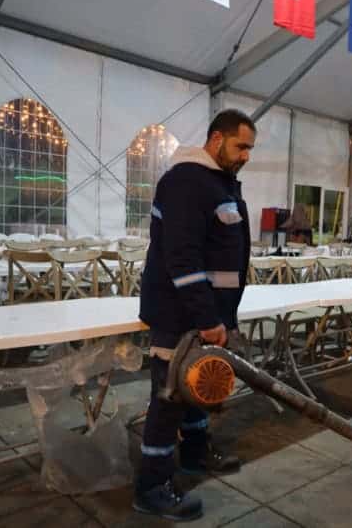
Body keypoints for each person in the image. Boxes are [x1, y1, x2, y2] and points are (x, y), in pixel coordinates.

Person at [136, 109, 256, 521]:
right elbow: (182, 258)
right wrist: (207, 317)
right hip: (178, 313)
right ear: (216, 138)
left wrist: (221, 316)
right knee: (169, 397)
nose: (246, 155)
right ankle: (151, 487)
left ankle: (194, 454)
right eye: (241, 146)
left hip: (205, 313)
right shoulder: (187, 181)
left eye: (250, 149)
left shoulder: (217, 182)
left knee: (197, 388)